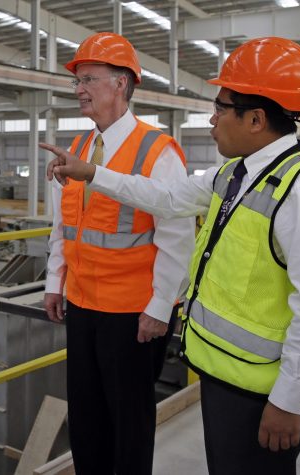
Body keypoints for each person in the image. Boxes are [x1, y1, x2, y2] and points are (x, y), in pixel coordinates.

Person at [41, 37, 300, 475]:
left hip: (264, 388)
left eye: (221, 108)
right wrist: (91, 172)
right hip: (226, 373)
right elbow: (164, 197)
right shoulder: (234, 174)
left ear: (256, 118)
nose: (211, 118)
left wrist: (289, 399)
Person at [42, 32, 194, 474]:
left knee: (129, 422)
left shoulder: (157, 151)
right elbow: (63, 224)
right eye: (77, 81)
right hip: (83, 305)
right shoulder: (82, 148)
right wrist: (56, 281)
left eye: (89, 78)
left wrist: (160, 307)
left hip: (133, 315)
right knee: (87, 418)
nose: (79, 89)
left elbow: (177, 238)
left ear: (122, 84)